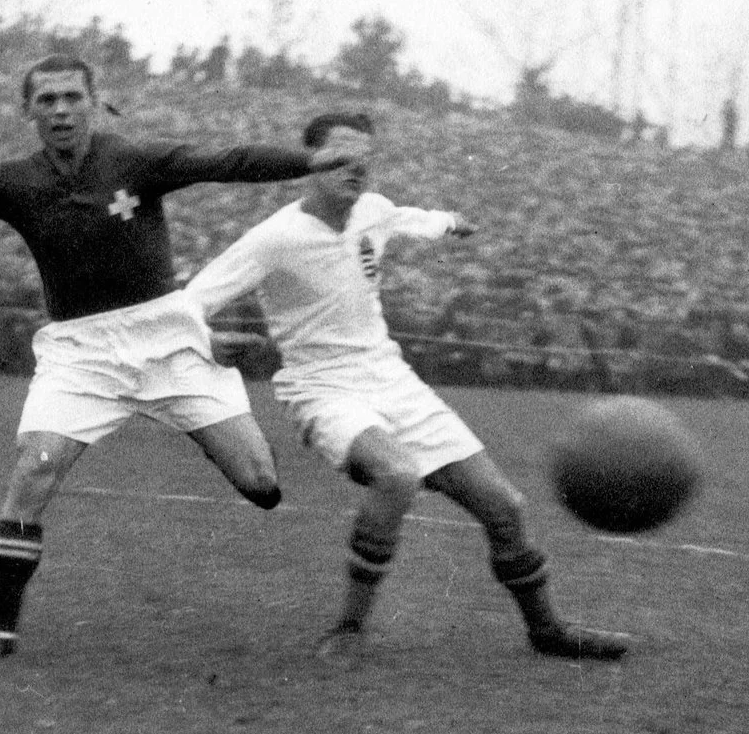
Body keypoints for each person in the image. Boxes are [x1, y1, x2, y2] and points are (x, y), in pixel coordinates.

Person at [0, 54, 359, 660]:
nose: (60, 110)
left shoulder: (135, 161)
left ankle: (219, 392)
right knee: (35, 467)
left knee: (262, 484)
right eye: (47, 100)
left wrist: (307, 161)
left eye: (71, 97)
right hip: (81, 356)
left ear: (93, 101)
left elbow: (228, 161)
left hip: (167, 342)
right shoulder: (14, 182)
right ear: (28, 111)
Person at [186, 112, 629, 661]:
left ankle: (548, 631)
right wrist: (209, 339)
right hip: (323, 388)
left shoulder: (372, 209)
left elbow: (406, 218)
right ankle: (349, 629)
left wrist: (448, 222)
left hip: (393, 380)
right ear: (310, 164)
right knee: (396, 476)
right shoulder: (275, 238)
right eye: (341, 158)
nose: (355, 168)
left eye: (364, 159)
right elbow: (191, 300)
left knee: (505, 507)